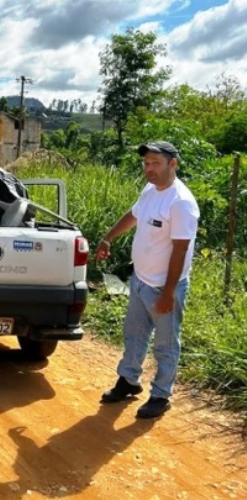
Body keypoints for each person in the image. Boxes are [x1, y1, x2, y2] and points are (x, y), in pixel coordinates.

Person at [96, 141, 199, 419]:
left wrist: (168, 293)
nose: (149, 169)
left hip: (165, 287)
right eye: (146, 163)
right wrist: (108, 237)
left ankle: (161, 394)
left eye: (156, 163)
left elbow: (180, 251)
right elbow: (134, 215)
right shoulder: (150, 191)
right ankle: (129, 381)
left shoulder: (181, 203)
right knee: (134, 335)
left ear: (172, 164)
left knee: (166, 344)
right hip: (140, 281)